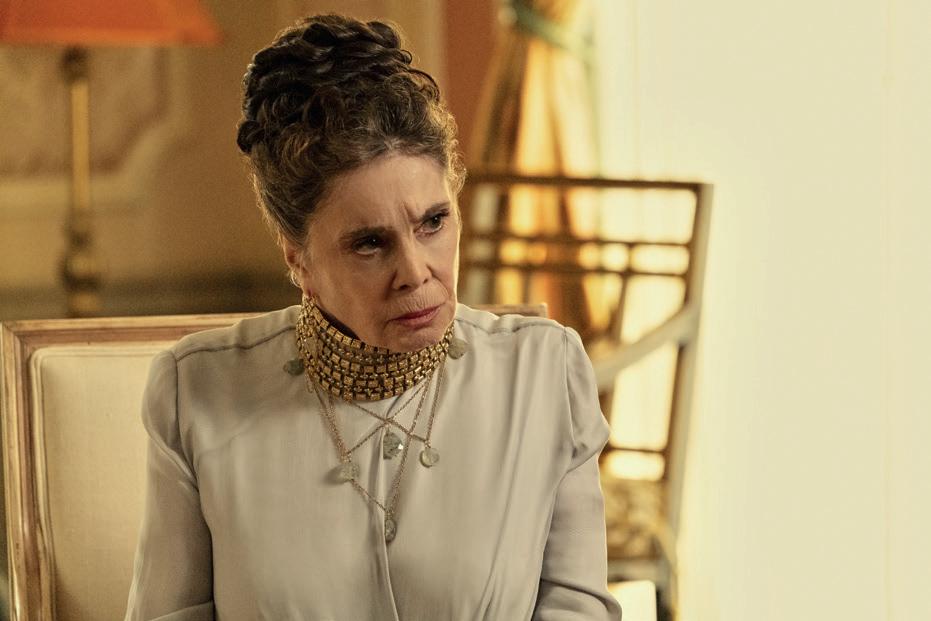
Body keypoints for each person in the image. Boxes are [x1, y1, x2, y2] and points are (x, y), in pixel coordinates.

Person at [125, 13, 621, 621]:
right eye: (369, 243)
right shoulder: (194, 393)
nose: (415, 271)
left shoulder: (545, 373)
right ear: (298, 259)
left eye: (433, 222)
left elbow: (578, 607)